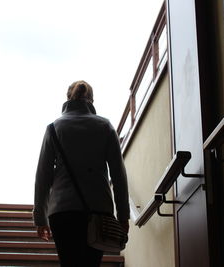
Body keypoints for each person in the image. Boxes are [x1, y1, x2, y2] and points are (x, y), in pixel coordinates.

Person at [33, 80, 130, 267]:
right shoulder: (105, 126)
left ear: (68, 98)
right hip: (98, 211)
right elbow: (118, 174)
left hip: (62, 211)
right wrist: (123, 216)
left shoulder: (54, 128)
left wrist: (40, 218)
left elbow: (43, 176)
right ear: (92, 100)